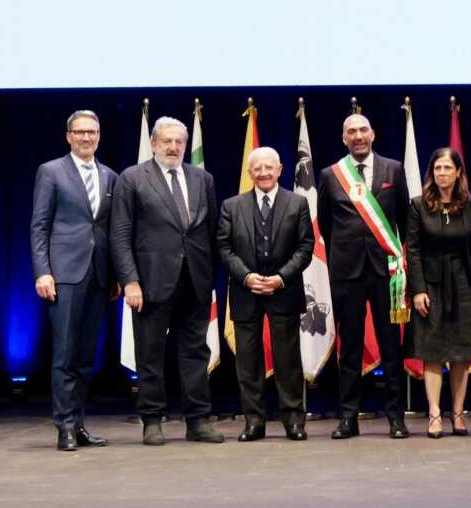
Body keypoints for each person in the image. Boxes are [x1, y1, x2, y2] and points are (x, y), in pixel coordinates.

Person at [111, 116, 224, 446]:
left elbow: (210, 232)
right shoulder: (132, 178)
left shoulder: (202, 178)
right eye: (166, 141)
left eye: (179, 142)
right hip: (150, 283)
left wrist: (210, 277)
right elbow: (120, 234)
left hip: (195, 281)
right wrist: (130, 281)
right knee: (150, 354)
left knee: (196, 354)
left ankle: (198, 421)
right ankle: (152, 420)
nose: (173, 147)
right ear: (154, 143)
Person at [317, 113, 411, 439]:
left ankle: (396, 418)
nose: (358, 136)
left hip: (386, 271)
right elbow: (326, 225)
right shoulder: (331, 175)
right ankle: (348, 418)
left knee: (391, 347)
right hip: (347, 273)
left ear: (373, 134)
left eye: (363, 130)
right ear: (344, 138)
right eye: (351, 132)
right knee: (350, 348)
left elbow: (404, 219)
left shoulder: (393, 170)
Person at [30, 110, 118, 451]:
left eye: (92, 132)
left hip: (99, 275)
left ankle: (78, 423)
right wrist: (43, 271)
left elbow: (110, 230)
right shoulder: (51, 171)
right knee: (65, 354)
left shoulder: (109, 176)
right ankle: (64, 426)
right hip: (64, 274)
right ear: (68, 136)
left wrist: (115, 276)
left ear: (99, 136)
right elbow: (40, 225)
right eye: (80, 132)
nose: (86, 137)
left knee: (85, 356)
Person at [217, 147, 314, 442]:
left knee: (288, 361)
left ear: (280, 169)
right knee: (248, 362)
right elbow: (224, 248)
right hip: (245, 293)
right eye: (257, 168)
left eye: (268, 167)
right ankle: (253, 422)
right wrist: (247, 277)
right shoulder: (231, 206)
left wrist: (280, 279)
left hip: (284, 292)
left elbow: (305, 247)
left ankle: (293, 420)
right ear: (250, 173)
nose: (263, 173)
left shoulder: (297, 203)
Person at [405, 148, 471, 438]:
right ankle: (434, 414)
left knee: (461, 352)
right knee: (432, 351)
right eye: (437, 168)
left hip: (465, 285)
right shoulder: (418, 205)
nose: (442, 173)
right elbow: (413, 250)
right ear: (432, 173)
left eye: (447, 168)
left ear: (458, 172)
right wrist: (418, 290)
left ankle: (458, 413)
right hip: (431, 286)